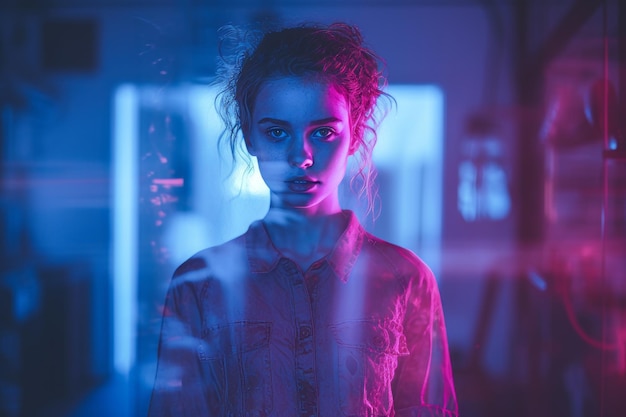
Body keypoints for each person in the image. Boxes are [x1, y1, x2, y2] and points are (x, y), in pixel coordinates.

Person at [148, 22, 458, 417]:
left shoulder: (406, 279)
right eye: (277, 133)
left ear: (356, 134)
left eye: (324, 132)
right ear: (249, 137)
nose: (301, 157)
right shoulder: (199, 285)